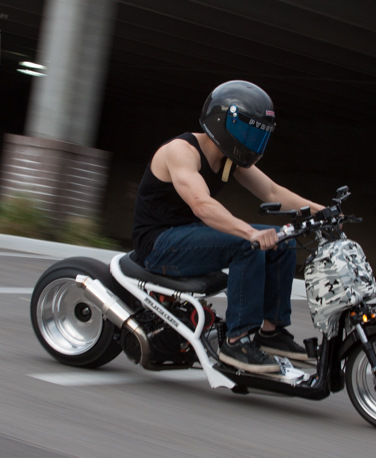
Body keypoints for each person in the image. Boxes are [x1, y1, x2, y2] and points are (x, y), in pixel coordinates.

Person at [131, 80, 324, 374]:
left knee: (283, 240)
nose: (251, 140)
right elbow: (201, 204)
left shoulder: (229, 159)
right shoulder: (181, 151)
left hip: (188, 237)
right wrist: (250, 233)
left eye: (258, 134)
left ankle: (271, 332)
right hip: (158, 244)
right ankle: (237, 342)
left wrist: (324, 212)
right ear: (222, 121)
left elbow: (272, 192)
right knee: (248, 245)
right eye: (247, 131)